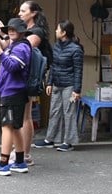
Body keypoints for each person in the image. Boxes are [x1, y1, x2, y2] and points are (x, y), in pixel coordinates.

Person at [0, 17, 32, 176]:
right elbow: (10, 65)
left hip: (12, 92)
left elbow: (13, 67)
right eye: (9, 29)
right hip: (14, 91)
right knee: (15, 127)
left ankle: (3, 163)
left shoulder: (21, 47)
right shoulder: (17, 45)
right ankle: (19, 162)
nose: (11, 32)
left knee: (6, 127)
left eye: (14, 29)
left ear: (22, 32)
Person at [34, 20, 84, 152]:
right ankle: (50, 139)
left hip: (69, 86)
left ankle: (68, 142)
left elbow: (78, 71)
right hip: (56, 83)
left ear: (64, 32)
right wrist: (49, 82)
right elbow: (53, 66)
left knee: (69, 113)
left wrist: (77, 90)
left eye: (58, 29)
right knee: (54, 111)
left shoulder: (76, 49)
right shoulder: (56, 46)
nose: (56, 31)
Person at [16, 1, 50, 164]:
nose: (19, 14)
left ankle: (25, 154)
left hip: (28, 76)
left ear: (33, 13)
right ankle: (20, 152)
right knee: (21, 115)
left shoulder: (37, 32)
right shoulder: (25, 30)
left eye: (23, 11)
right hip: (20, 75)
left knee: (25, 115)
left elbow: (22, 49)